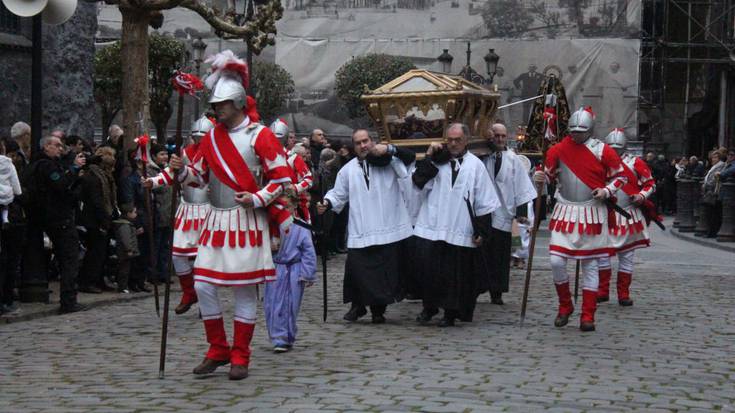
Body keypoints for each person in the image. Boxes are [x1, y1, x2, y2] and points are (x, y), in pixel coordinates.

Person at [168, 50, 293, 380]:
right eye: (214, 106)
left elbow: (283, 181)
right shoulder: (210, 137)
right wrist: (180, 172)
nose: (216, 110)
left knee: (243, 291)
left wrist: (256, 197)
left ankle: (241, 355)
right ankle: (217, 348)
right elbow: (200, 177)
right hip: (215, 219)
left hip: (246, 220)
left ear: (237, 103)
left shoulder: (260, 136)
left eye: (221, 105)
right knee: (204, 284)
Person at [533, 107, 626, 332]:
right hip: (565, 208)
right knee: (556, 261)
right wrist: (540, 178)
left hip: (592, 210)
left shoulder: (603, 150)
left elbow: (620, 176)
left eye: (581, 131)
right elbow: (549, 174)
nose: (576, 135)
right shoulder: (557, 149)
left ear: (590, 130)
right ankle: (565, 305)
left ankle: (588, 314)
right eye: (573, 131)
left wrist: (606, 191)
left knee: (590, 265)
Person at [317, 129, 415, 323]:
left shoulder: (390, 163)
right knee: (356, 271)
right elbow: (338, 193)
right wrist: (327, 203)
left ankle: (378, 311)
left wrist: (389, 150)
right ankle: (358, 306)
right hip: (360, 227)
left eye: (366, 141)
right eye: (358, 143)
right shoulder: (348, 170)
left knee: (382, 273)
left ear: (373, 141)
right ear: (353, 147)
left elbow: (410, 159)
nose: (363, 146)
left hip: (386, 225)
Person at [412, 123, 500, 327]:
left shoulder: (475, 165)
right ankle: (429, 307)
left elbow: (484, 200)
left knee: (454, 275)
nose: (453, 144)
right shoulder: (437, 162)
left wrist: (482, 231)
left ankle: (450, 312)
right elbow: (418, 182)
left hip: (460, 227)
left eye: (457, 140)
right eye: (449, 140)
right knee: (429, 272)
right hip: (433, 225)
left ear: (466, 140)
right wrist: (429, 156)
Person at [146, 115, 214, 313]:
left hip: (208, 208)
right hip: (187, 208)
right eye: (196, 136)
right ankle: (189, 291)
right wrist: (155, 181)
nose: (199, 140)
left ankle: (205, 299)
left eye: (203, 136)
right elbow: (170, 172)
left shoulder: (216, 152)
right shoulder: (185, 152)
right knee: (178, 255)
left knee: (204, 258)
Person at [26, 135, 88, 314]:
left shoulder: (41, 164)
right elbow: (60, 184)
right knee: (69, 257)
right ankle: (68, 300)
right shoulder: (45, 166)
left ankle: (69, 298)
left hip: (49, 217)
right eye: (57, 146)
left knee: (67, 257)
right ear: (46, 146)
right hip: (57, 217)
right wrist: (74, 169)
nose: (60, 149)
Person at [480, 123, 536, 305]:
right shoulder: (482, 156)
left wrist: (521, 211)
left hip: (504, 212)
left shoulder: (513, 160)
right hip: (484, 212)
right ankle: (477, 287)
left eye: (503, 136)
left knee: (500, 256)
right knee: (481, 254)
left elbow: (521, 185)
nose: (500, 139)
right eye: (496, 135)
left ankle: (496, 291)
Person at [597, 129, 655, 306]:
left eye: (617, 148)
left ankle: (623, 293)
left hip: (629, 213)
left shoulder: (635, 162)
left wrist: (641, 196)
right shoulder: (600, 163)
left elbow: (649, 183)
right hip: (606, 213)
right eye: (611, 148)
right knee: (602, 255)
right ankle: (602, 291)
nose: (614, 151)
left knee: (627, 256)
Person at [264, 188, 316, 352]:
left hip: (293, 270)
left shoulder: (301, 227)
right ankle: (278, 336)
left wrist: (307, 273)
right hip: (275, 269)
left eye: (287, 207)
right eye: (281, 207)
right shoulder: (270, 226)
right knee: (272, 304)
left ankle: (285, 336)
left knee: (289, 304)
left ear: (294, 207)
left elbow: (308, 251)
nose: (284, 211)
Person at [77, 146, 118, 293]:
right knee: (95, 252)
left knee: (102, 252)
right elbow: (96, 200)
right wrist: (104, 218)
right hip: (94, 219)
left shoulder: (103, 176)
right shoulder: (93, 176)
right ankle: (87, 281)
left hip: (102, 217)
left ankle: (98, 279)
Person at [149, 143, 173, 284]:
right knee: (156, 246)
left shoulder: (169, 169)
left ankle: (164, 273)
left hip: (168, 213)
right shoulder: (152, 171)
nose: (165, 157)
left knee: (165, 246)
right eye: (161, 154)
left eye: (166, 154)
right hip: (158, 213)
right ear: (154, 156)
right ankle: (154, 274)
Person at [113, 204, 141, 294]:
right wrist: (129, 250)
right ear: (128, 214)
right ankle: (122, 287)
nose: (136, 214)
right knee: (124, 270)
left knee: (126, 269)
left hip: (126, 251)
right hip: (125, 252)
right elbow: (126, 239)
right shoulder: (125, 226)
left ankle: (124, 285)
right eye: (134, 212)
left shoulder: (128, 225)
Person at [702, 148, 727, 237]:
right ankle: (710, 231)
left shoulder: (721, 165)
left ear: (719, 158)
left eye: (715, 157)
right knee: (710, 213)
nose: (713, 159)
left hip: (714, 192)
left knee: (713, 214)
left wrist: (706, 184)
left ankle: (712, 232)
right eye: (713, 157)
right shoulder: (713, 166)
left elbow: (714, 179)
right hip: (709, 191)